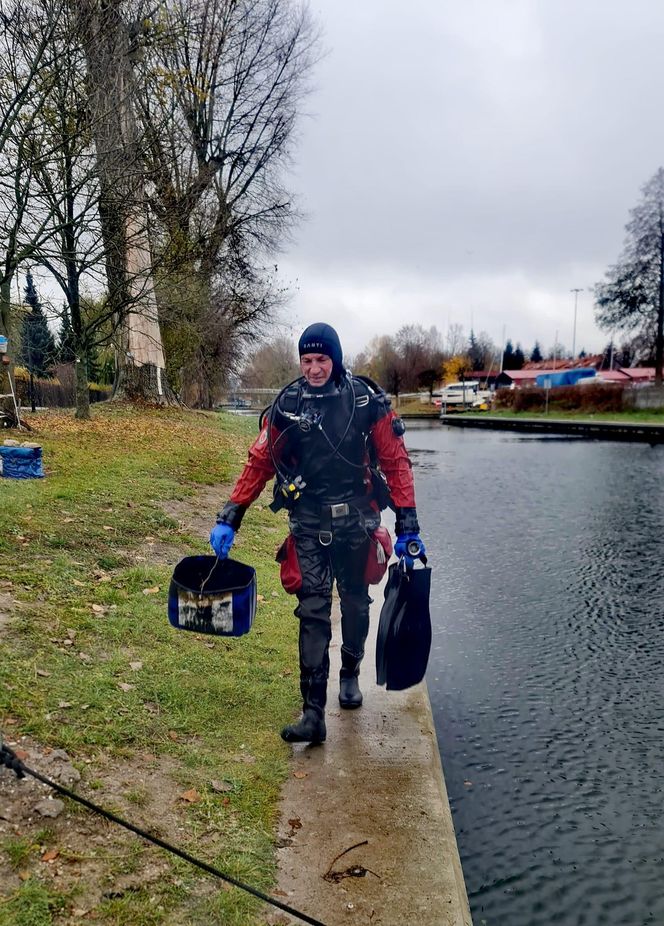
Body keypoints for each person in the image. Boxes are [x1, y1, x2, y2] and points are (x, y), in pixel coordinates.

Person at [210, 323, 425, 744]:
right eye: (306, 361)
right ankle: (313, 712)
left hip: (357, 522)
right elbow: (259, 461)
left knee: (357, 605)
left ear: (336, 359)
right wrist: (230, 514)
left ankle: (350, 672)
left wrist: (407, 524)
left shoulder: (365, 400)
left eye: (321, 360)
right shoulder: (287, 402)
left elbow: (396, 462)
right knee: (311, 612)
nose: (313, 369)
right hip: (307, 523)